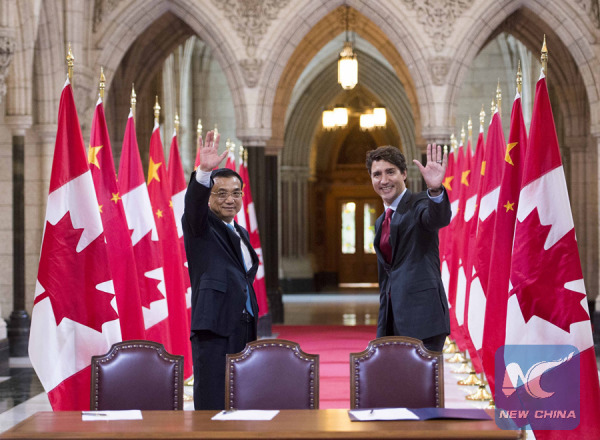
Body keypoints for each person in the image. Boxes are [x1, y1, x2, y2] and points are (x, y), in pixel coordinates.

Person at [182, 130, 259, 410]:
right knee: (214, 396)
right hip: (214, 326)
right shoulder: (199, 227)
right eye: (221, 193)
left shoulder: (239, 231)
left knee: (241, 394)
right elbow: (193, 207)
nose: (230, 199)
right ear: (210, 197)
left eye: (236, 193)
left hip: (244, 324)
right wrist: (203, 172)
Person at [366, 144, 451, 352]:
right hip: (392, 321)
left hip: (424, 320)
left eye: (390, 172)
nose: (384, 180)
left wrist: (435, 189)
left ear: (404, 173)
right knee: (397, 384)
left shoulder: (420, 203)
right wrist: (382, 327)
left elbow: (438, 217)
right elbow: (387, 277)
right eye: (377, 174)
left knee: (425, 385)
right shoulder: (380, 222)